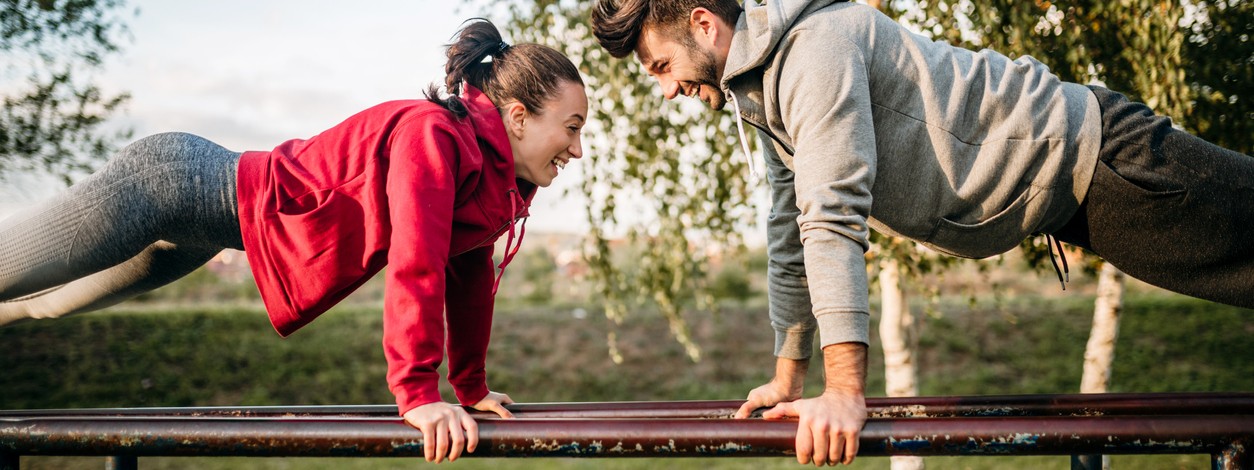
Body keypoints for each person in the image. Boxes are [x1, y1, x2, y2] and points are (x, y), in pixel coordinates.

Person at [590, 0, 1254, 466]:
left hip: (1102, 157)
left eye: (659, 67)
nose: (667, 89)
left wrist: (846, 392)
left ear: (704, 26)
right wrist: (788, 376)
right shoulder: (765, 93)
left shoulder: (814, 51)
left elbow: (833, 215)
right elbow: (791, 228)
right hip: (1071, 194)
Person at [0, 18, 588, 464]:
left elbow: (467, 277)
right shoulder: (433, 135)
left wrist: (472, 387)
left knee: (35, 304)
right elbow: (418, 262)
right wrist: (416, 392)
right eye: (571, 128)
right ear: (517, 116)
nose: (577, 149)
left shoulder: (494, 184)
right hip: (171, 183)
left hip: (207, 228)